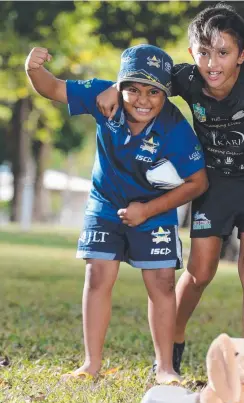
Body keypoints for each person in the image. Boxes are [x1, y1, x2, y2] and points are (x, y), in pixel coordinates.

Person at [96, 4, 244, 377]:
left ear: (241, 55)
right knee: (200, 269)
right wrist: (115, 88)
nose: (213, 63)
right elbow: (142, 78)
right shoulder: (188, 78)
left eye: (223, 53)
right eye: (204, 53)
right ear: (192, 52)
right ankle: (173, 340)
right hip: (214, 180)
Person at [25, 44, 208, 385]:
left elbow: (197, 182)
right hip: (105, 204)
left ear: (165, 94)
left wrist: (148, 210)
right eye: (133, 89)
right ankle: (91, 365)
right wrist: (33, 69)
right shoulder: (103, 98)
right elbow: (52, 88)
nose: (143, 99)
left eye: (154, 91)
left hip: (154, 210)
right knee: (97, 276)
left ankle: (165, 368)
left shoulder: (175, 128)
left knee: (163, 283)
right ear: (119, 86)